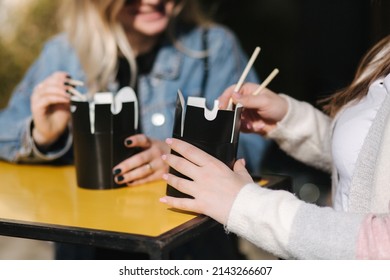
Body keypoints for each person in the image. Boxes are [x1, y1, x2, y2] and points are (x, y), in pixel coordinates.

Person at [0, 0, 269, 259]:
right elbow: (6, 132)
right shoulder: (63, 53)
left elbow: (249, 152)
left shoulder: (213, 47)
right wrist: (41, 136)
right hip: (86, 255)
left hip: (189, 258)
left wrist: (180, 161)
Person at [160, 35, 390, 259]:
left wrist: (246, 205)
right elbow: (370, 162)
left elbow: (381, 244)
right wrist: (289, 119)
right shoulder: (383, 53)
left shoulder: (217, 43)